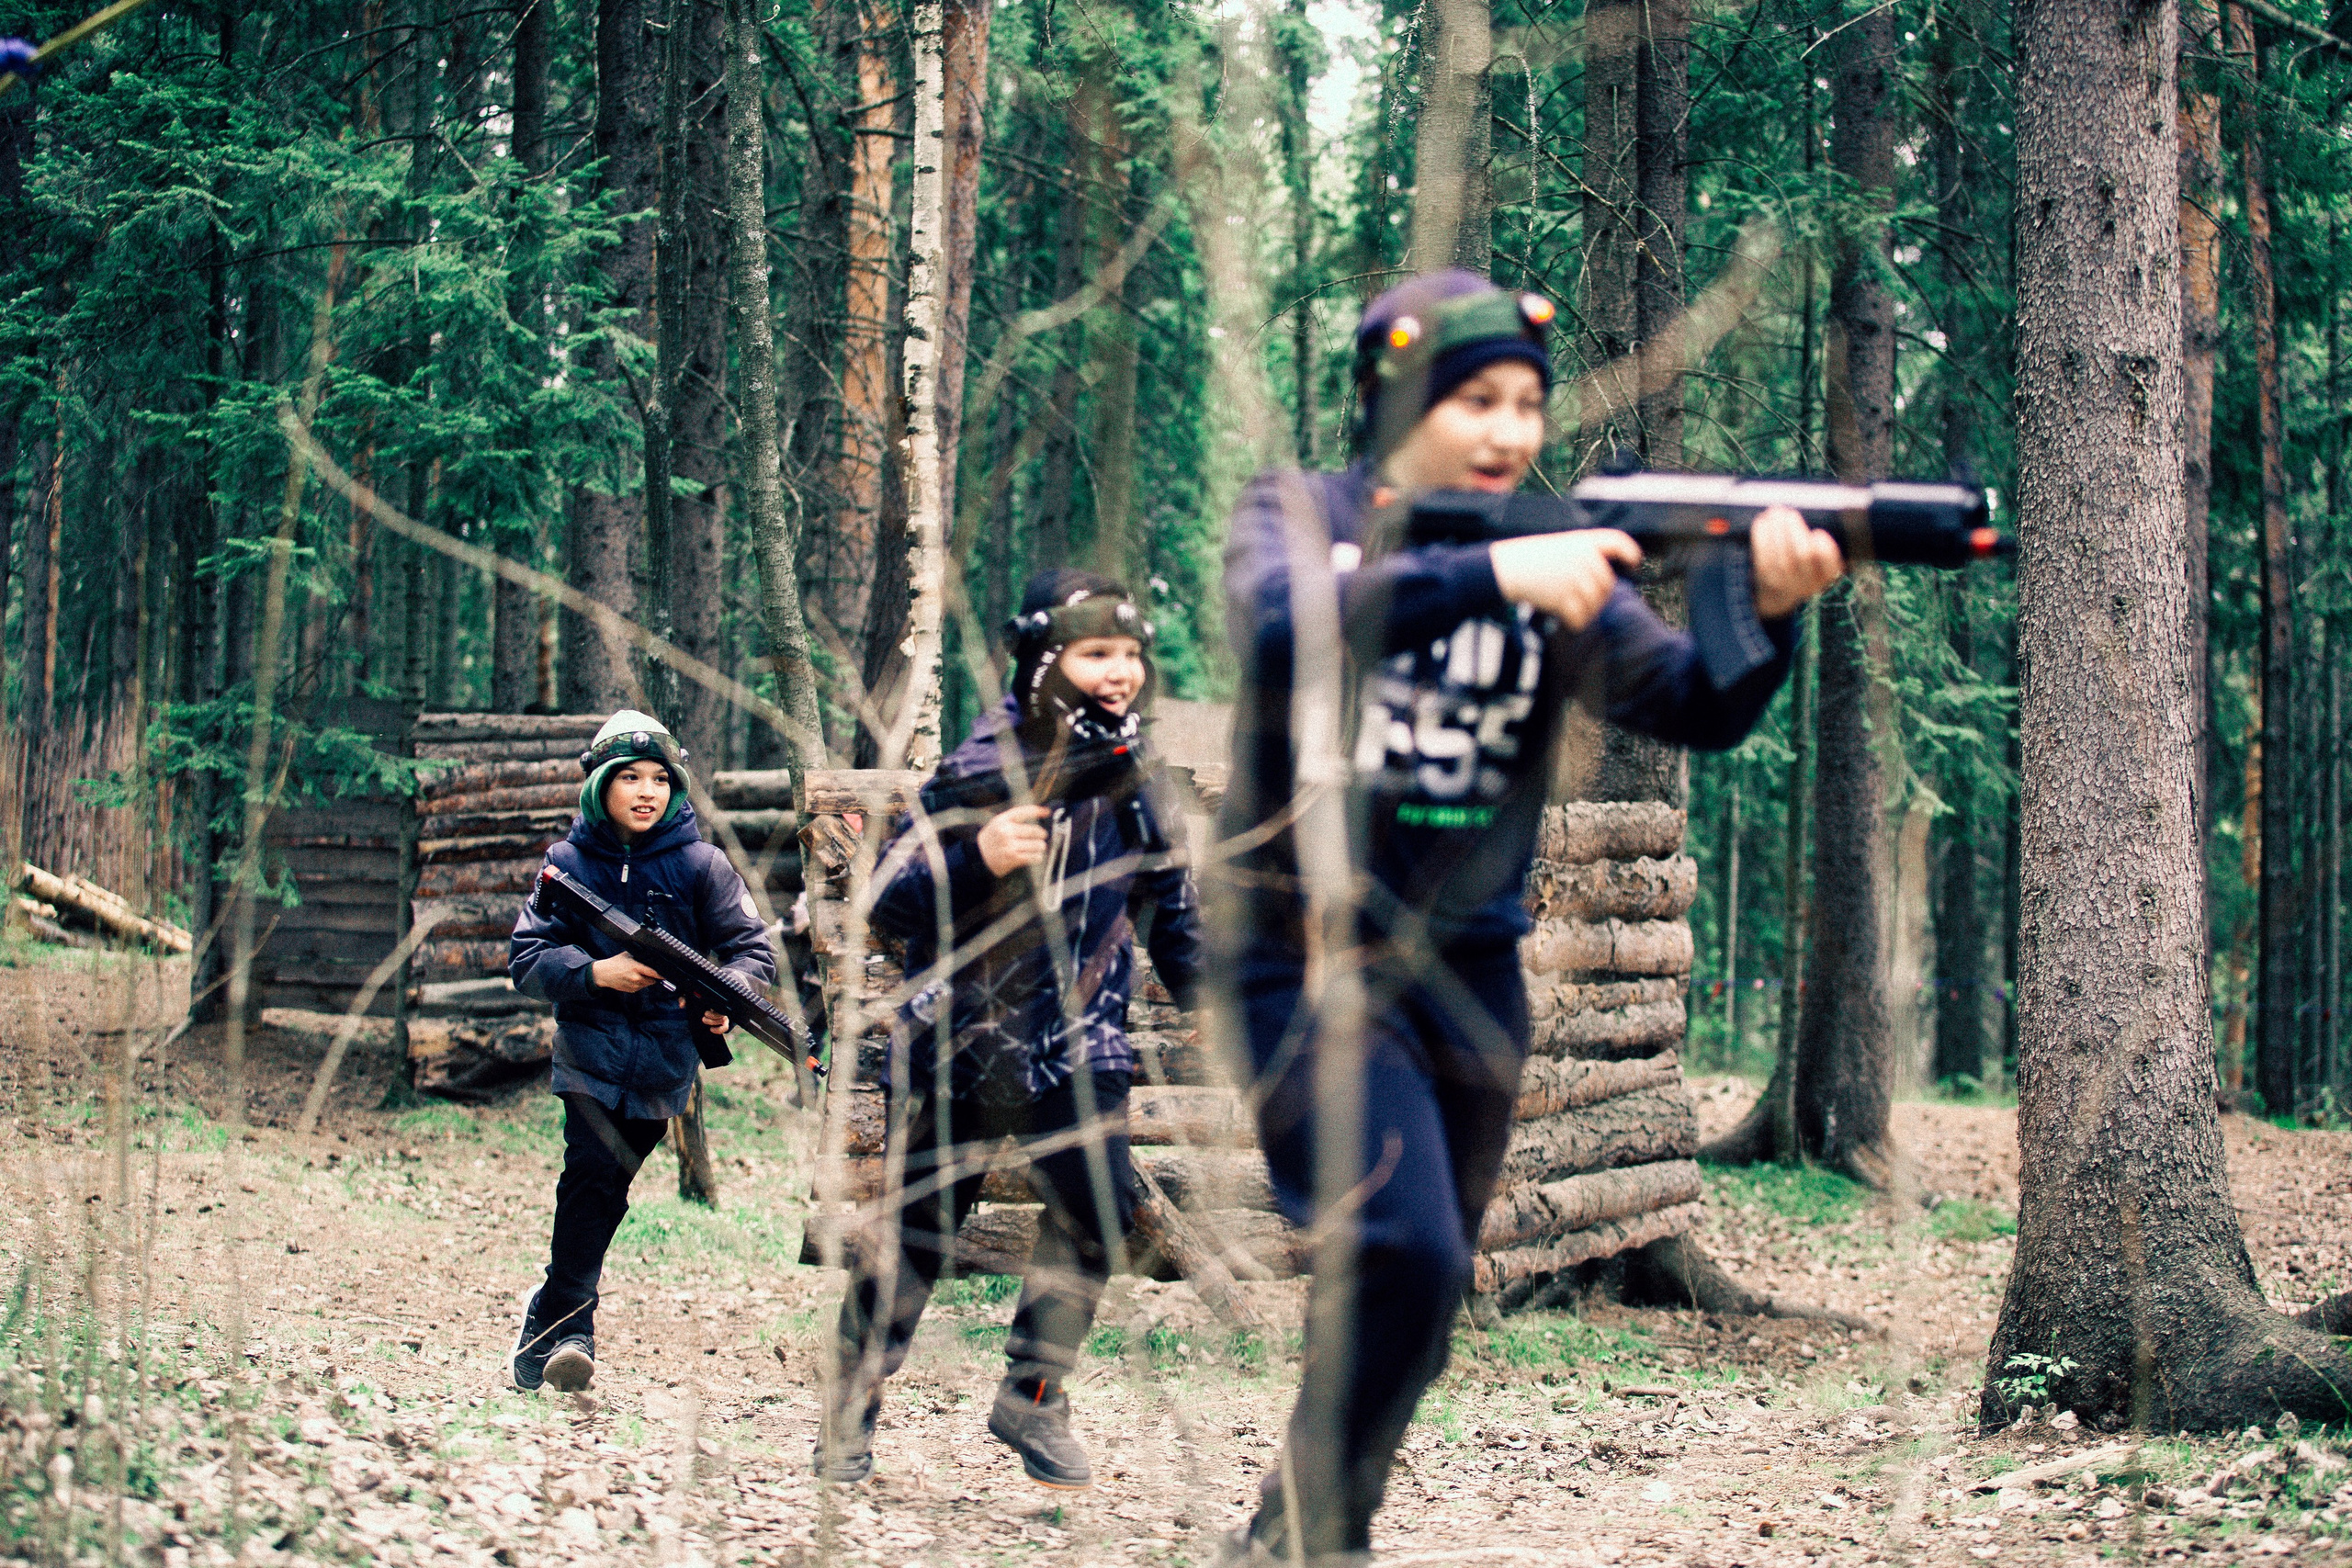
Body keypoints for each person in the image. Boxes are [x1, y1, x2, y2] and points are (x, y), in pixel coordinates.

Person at [1212, 273, 1844, 1564]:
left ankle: (1305, 1521)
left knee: (1428, 1282)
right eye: (1476, 402)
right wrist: (1502, 567)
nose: (1509, 432)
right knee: (1403, 1239)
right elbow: (1284, 627)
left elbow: (1690, 701)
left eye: (1527, 406)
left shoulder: (1552, 550)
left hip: (1469, 976)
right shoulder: (1302, 513)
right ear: (1395, 400)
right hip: (1303, 957)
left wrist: (1766, 611)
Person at [816, 569, 1204, 1490]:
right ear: (1047, 660)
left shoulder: (1137, 777)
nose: (1118, 673)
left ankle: (1032, 1394)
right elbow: (887, 900)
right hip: (961, 1044)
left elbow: (1173, 912)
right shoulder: (977, 766)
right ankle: (847, 1416)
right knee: (915, 1234)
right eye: (1094, 653)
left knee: (1100, 1208)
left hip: (1083, 1045)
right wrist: (974, 858)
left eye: (1130, 655)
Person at [505, 710, 776, 1393]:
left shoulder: (701, 865)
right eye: (630, 776)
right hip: (589, 1049)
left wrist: (728, 997)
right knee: (590, 1171)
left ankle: (549, 1309)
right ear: (600, 785)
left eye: (661, 778)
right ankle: (575, 1328)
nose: (647, 790)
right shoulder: (566, 865)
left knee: (610, 1187)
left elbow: (753, 949)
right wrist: (599, 972)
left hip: (663, 1059)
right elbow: (527, 955)